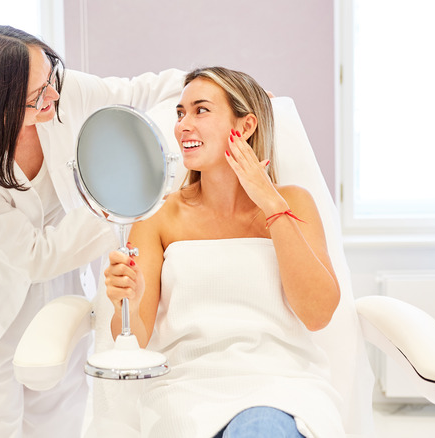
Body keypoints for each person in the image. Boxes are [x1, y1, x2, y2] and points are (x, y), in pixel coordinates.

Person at [0, 24, 185, 438]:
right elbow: (34, 258)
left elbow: (140, 92)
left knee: (59, 420)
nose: (53, 96)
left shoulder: (61, 91)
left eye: (50, 80)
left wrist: (215, 87)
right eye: (37, 96)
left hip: (58, 292)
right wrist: (116, 199)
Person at [103, 67, 345, 437]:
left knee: (261, 428)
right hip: (184, 391)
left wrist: (270, 203)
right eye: (180, 113)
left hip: (281, 387)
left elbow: (318, 314)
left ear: (245, 127)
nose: (183, 125)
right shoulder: (159, 215)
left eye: (200, 110)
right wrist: (129, 301)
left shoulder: (293, 202)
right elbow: (136, 338)